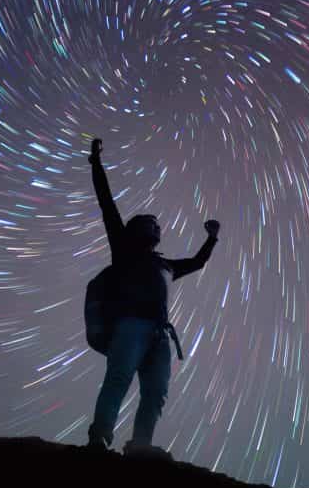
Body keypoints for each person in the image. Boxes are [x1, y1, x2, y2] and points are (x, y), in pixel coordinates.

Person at [85, 136, 219, 456]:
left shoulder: (166, 265)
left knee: (156, 392)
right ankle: (100, 438)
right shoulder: (123, 249)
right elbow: (107, 203)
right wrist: (96, 164)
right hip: (130, 327)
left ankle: (140, 445)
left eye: (156, 224)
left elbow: (197, 262)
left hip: (159, 335)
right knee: (119, 379)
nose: (155, 227)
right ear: (135, 230)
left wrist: (211, 238)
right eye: (149, 223)